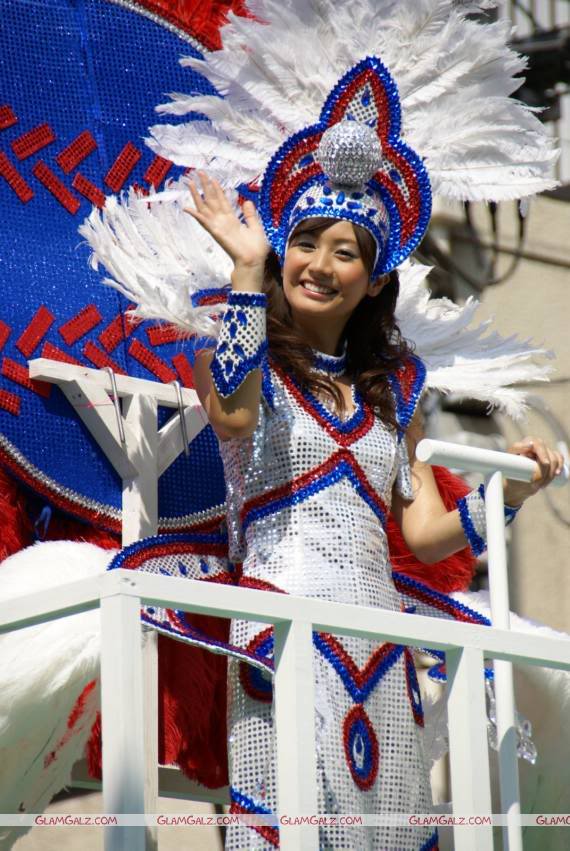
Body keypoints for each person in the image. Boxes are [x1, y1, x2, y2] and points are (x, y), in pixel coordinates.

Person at [178, 168, 563, 850]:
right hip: (283, 632)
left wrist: (505, 494)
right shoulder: (239, 358)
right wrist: (245, 268)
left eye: (345, 251)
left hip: (381, 647)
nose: (319, 265)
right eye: (304, 242)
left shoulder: (391, 398)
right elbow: (234, 419)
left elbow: (422, 533)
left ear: (376, 279)